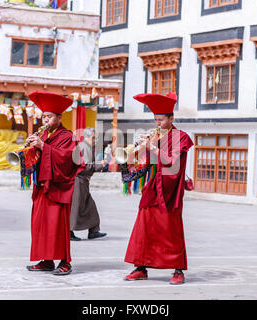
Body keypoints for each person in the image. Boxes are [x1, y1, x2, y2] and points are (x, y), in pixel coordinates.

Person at [123, 92, 194, 285]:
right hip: (153, 187)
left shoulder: (182, 137)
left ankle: (178, 270)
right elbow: (144, 162)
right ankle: (140, 267)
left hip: (170, 190)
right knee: (144, 227)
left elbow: (172, 161)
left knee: (170, 229)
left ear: (171, 118)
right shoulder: (153, 135)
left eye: (161, 120)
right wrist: (139, 148)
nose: (158, 124)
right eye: (155, 120)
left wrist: (153, 147)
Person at [25, 91, 83, 275]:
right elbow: (37, 160)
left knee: (58, 226)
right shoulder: (44, 135)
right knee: (41, 225)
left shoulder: (67, 136)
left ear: (59, 117)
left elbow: (68, 159)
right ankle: (46, 260)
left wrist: (43, 147)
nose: (45, 120)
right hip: (42, 187)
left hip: (58, 187)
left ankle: (65, 262)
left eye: (49, 117)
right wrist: (29, 149)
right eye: (43, 116)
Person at [70, 127, 108, 241]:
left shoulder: (85, 146)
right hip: (78, 180)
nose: (95, 141)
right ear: (86, 137)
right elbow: (84, 167)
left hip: (83, 181)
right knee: (75, 207)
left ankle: (93, 230)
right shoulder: (84, 147)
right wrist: (100, 165)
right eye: (93, 138)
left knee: (90, 206)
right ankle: (69, 232)